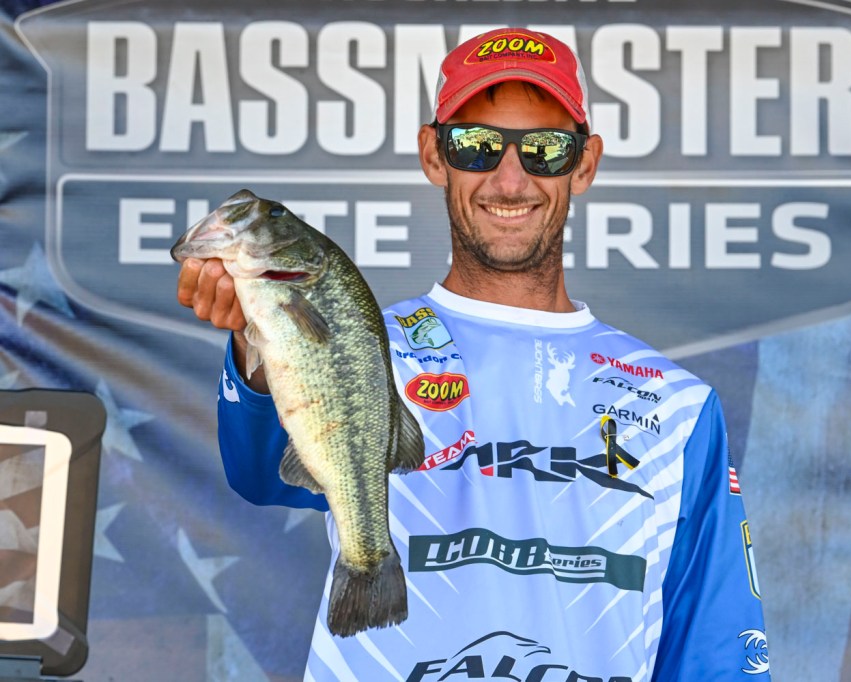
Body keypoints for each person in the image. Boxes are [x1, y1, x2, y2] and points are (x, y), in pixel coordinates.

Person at [176, 27, 770, 681]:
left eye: (544, 150)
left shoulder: (679, 406)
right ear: (435, 155)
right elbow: (262, 473)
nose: (510, 180)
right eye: (478, 145)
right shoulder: (372, 346)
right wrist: (256, 339)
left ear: (584, 163)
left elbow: (716, 652)